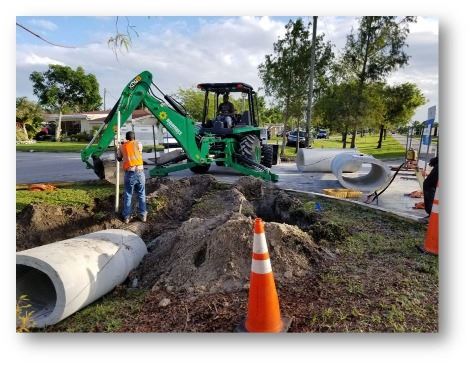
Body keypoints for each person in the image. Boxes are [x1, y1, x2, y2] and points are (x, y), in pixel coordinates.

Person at [117, 131, 147, 224]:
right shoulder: (139, 143)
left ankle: (127, 216)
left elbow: (119, 158)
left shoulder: (122, 146)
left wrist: (118, 147)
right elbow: (138, 151)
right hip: (140, 172)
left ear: (126, 138)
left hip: (130, 173)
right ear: (134, 137)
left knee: (128, 195)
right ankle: (143, 215)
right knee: (141, 194)